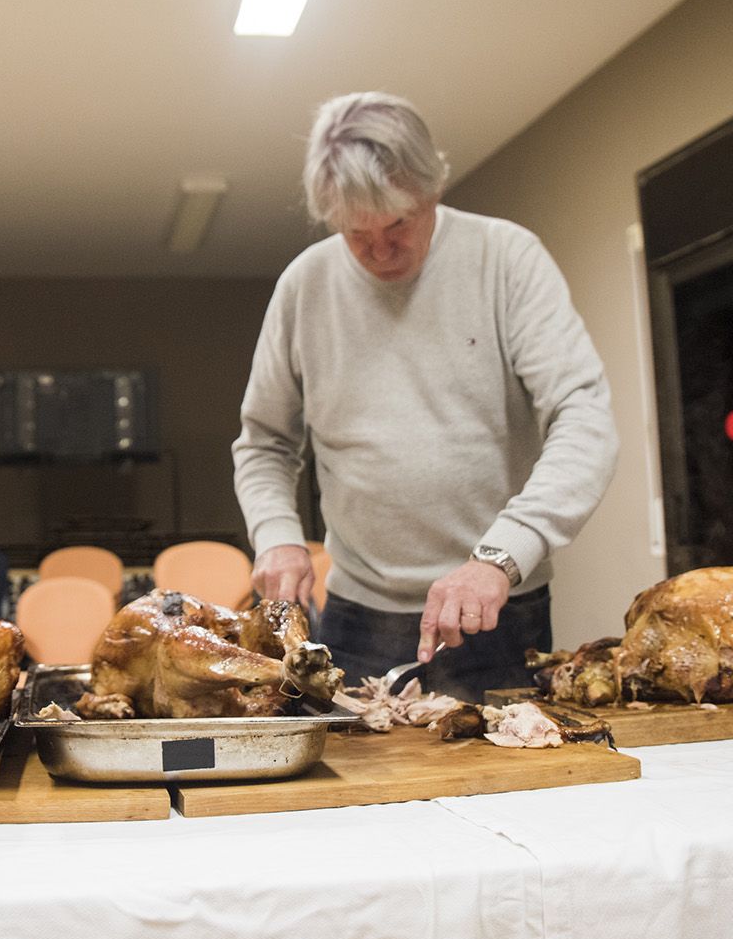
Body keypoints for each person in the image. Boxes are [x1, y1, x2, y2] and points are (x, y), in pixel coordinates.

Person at [233, 92, 618, 701]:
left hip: (496, 607)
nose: (380, 251)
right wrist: (277, 533)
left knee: (513, 788)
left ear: (433, 188)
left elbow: (584, 417)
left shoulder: (506, 258)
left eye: (398, 225)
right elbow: (265, 444)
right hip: (356, 614)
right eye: (358, 233)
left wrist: (502, 555)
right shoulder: (305, 284)